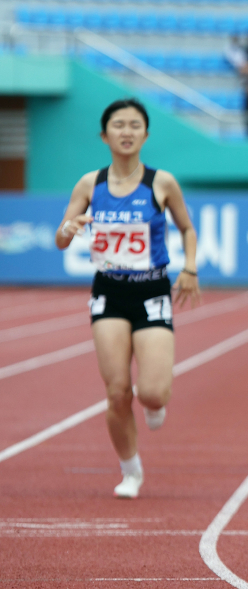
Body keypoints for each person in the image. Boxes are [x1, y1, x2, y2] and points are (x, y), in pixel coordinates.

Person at [55, 98, 200, 500]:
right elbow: (61, 238)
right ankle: (130, 470)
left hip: (152, 289)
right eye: (118, 125)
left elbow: (187, 229)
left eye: (135, 125)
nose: (126, 131)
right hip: (109, 291)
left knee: (151, 392)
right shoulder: (89, 184)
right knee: (117, 390)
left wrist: (189, 268)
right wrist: (71, 225)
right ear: (104, 135)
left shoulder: (162, 182)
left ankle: (154, 404)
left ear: (145, 134)